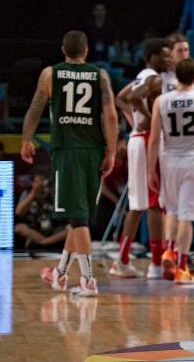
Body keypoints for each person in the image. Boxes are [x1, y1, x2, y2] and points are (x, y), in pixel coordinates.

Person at [29, 30, 118, 296]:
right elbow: (111, 116)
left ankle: (89, 280)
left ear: (63, 50)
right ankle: (60, 273)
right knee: (77, 214)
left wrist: (26, 138)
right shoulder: (99, 74)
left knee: (78, 219)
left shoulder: (50, 73)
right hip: (93, 150)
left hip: (68, 150)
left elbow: (35, 108)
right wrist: (111, 151)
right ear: (87, 50)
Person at [147, 58, 194, 284]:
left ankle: (168, 250)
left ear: (176, 76)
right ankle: (183, 266)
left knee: (172, 211)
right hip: (193, 159)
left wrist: (150, 170)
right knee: (188, 217)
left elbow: (154, 140)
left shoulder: (161, 101)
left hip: (169, 161)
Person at [112, 38, 170, 279]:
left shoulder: (141, 75)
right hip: (147, 139)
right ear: (153, 56)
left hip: (138, 137)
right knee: (155, 202)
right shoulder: (153, 78)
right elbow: (134, 98)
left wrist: (133, 120)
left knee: (137, 205)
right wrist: (149, 117)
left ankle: (122, 260)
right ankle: (156, 264)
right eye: (165, 56)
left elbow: (120, 98)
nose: (168, 60)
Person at [14, 167, 69, 249]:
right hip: (35, 230)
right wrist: (33, 193)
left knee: (71, 228)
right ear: (32, 182)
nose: (41, 185)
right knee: (19, 228)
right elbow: (18, 212)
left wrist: (51, 193)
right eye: (37, 181)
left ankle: (44, 242)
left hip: (53, 230)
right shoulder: (27, 193)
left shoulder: (54, 194)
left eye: (43, 181)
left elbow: (65, 215)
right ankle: (44, 242)